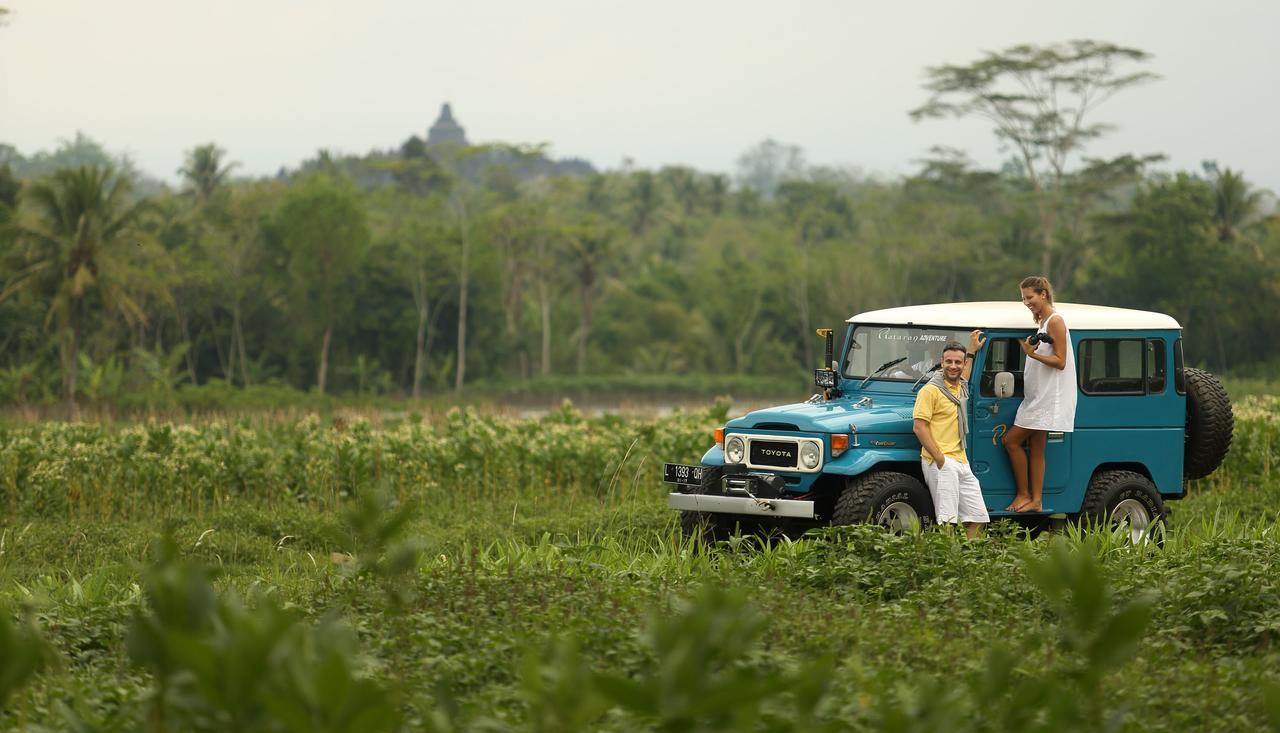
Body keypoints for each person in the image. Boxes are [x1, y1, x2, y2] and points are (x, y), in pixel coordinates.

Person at [1002, 275, 1077, 512]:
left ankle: (1024, 494)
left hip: (1048, 398)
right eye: (1023, 298)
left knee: (1011, 440)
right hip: (1037, 396)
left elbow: (1061, 361)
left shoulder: (1055, 321)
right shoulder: (1043, 322)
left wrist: (1030, 353)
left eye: (1029, 297)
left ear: (1043, 294)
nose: (1026, 302)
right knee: (1036, 449)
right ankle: (1036, 500)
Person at [912, 334, 989, 537]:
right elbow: (919, 427)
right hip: (941, 461)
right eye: (949, 362)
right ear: (941, 362)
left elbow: (967, 374)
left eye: (957, 362)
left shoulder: (960, 387)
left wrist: (972, 350)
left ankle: (964, 558)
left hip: (961, 460)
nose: (953, 366)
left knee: (979, 516)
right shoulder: (930, 391)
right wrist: (940, 458)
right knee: (947, 521)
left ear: (963, 364)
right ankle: (948, 561)